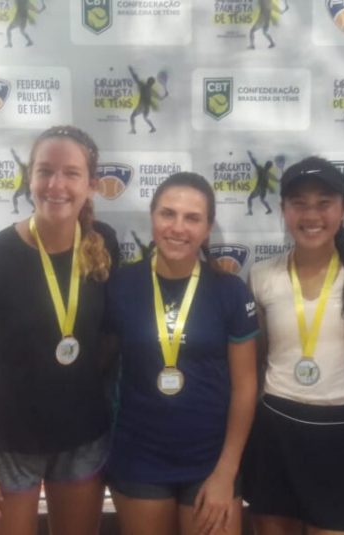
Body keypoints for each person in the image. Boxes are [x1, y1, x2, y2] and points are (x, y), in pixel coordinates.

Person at [0, 126, 119, 535]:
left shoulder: (104, 243)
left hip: (83, 436)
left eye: (71, 173)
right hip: (8, 443)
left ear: (91, 185)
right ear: (30, 177)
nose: (56, 185)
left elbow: (109, 340)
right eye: (45, 171)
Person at [105, 172, 259, 535]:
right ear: (152, 216)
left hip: (210, 459)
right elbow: (102, 363)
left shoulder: (230, 291)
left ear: (207, 227)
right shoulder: (122, 286)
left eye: (192, 218)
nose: (178, 227)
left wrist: (226, 471)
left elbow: (245, 387)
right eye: (168, 214)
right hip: (139, 457)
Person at [242, 157, 344, 535]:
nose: (311, 215)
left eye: (324, 203)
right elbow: (253, 362)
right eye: (299, 203)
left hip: (340, 435)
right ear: (283, 209)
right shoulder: (261, 275)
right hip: (274, 431)